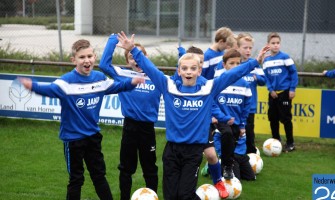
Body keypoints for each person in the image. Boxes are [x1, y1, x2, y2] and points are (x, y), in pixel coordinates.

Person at [117, 31, 269, 200]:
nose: (188, 71)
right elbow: (149, 68)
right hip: (172, 150)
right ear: (179, 71)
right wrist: (132, 49)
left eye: (193, 68)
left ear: (199, 71)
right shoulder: (169, 86)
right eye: (184, 68)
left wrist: (255, 62)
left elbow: (232, 74)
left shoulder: (208, 88)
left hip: (193, 152)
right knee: (171, 196)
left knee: (185, 195)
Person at [18, 39, 144, 200]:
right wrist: (32, 86)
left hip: (93, 137)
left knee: (99, 176)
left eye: (89, 56)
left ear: (94, 57)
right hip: (73, 140)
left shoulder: (99, 78)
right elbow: (49, 90)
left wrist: (132, 82)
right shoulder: (66, 82)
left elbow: (117, 86)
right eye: (82, 57)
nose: (87, 60)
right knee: (77, 179)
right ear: (74, 60)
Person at [99, 34, 161, 200]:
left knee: (150, 168)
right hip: (130, 127)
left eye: (139, 55)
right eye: (131, 57)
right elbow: (103, 64)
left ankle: (152, 196)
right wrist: (113, 40)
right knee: (126, 168)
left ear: (145, 57)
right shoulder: (123, 74)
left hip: (148, 129)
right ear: (128, 62)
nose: (135, 60)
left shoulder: (157, 77)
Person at [176, 45, 229, 199]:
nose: (193, 67)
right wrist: (181, 52)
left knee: (211, 155)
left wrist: (221, 117)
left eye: (199, 63)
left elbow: (212, 105)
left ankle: (218, 180)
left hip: (201, 127)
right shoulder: (177, 81)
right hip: (183, 130)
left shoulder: (206, 83)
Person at [212, 49, 252, 180]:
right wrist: (216, 117)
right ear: (224, 65)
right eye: (231, 63)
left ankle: (214, 165)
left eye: (238, 64)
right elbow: (211, 101)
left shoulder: (245, 84)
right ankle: (225, 168)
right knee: (227, 136)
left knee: (250, 177)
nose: (235, 67)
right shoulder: (218, 82)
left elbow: (246, 108)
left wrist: (241, 125)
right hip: (221, 122)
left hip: (236, 124)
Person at [262, 32, 298, 153]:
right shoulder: (266, 60)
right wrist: (271, 89)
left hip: (284, 92)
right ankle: (276, 141)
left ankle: (290, 143)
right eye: (273, 43)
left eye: (278, 43)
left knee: (286, 118)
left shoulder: (285, 57)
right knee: (273, 118)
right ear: (268, 45)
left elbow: (294, 73)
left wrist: (292, 89)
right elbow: (266, 77)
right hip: (273, 94)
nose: (276, 45)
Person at [236, 33, 267, 154]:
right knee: (235, 134)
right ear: (238, 48)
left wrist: (257, 78)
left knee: (249, 133)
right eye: (245, 47)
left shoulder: (255, 65)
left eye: (250, 48)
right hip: (235, 106)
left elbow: (263, 81)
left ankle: (251, 157)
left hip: (249, 108)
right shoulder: (234, 64)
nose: (248, 50)